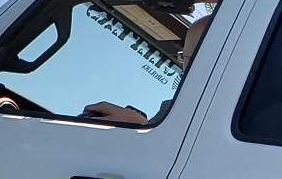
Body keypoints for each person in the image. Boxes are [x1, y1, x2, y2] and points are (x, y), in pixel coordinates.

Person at [84, 12, 214, 126]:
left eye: (184, 56)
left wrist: (138, 126)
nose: (184, 65)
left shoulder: (186, 110)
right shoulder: (212, 114)